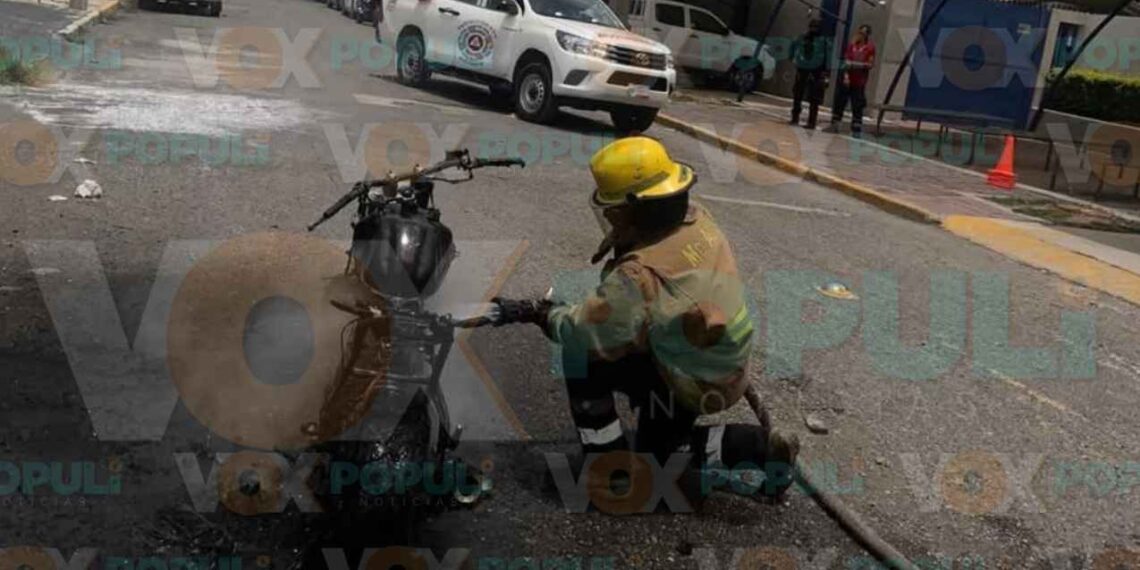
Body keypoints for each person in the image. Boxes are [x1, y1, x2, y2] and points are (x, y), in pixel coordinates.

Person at [492, 137, 800, 507]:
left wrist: (545, 313)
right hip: (723, 361)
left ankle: (613, 473)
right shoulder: (695, 217)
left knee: (582, 360)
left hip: (691, 378)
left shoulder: (639, 276)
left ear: (632, 210)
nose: (611, 219)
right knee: (663, 450)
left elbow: (586, 332)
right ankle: (760, 447)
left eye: (614, 212)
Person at [825, 24, 876, 137]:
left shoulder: (870, 48)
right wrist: (846, 76)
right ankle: (835, 124)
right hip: (848, 79)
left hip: (859, 81)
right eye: (860, 32)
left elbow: (869, 64)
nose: (861, 35)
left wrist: (855, 64)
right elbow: (846, 62)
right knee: (840, 101)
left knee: (857, 104)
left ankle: (856, 127)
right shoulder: (852, 45)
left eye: (863, 33)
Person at [790, 19, 830, 130]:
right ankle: (795, 117)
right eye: (812, 27)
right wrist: (794, 59)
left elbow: (827, 57)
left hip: (817, 70)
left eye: (816, 27)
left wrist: (826, 73)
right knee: (798, 93)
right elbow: (793, 47)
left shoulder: (823, 41)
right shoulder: (802, 38)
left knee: (814, 97)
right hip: (802, 68)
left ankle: (811, 121)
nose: (814, 29)